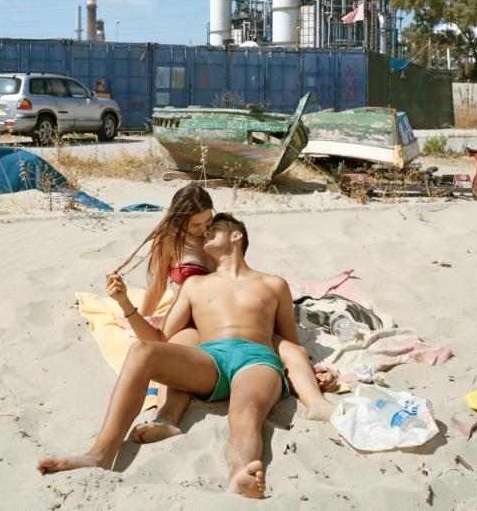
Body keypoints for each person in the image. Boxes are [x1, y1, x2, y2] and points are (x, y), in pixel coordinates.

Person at [38, 214, 295, 498]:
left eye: (215, 229)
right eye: (205, 230)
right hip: (210, 359)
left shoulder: (273, 284)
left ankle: (240, 475)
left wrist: (309, 372)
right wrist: (124, 302)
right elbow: (161, 339)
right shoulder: (194, 286)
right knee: (141, 350)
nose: (206, 232)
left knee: (245, 410)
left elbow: (288, 340)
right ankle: (100, 454)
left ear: (237, 237)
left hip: (256, 359)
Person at [110, 184, 334, 444]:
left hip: (235, 318)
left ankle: (316, 401)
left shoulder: (216, 238)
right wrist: (140, 315)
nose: (204, 229)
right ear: (181, 221)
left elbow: (237, 275)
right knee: (179, 349)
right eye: (196, 225)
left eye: (209, 221)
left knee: (293, 351)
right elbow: (158, 286)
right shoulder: (171, 240)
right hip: (190, 319)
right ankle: (167, 420)